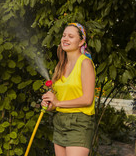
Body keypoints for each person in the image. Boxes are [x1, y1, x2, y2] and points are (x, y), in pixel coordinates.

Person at [41, 23, 95, 156]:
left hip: (79, 123)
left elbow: (87, 99)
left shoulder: (85, 63)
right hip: (60, 121)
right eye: (64, 35)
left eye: (71, 36)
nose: (65, 39)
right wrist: (49, 105)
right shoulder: (60, 67)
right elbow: (57, 101)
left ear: (81, 41)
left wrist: (58, 103)